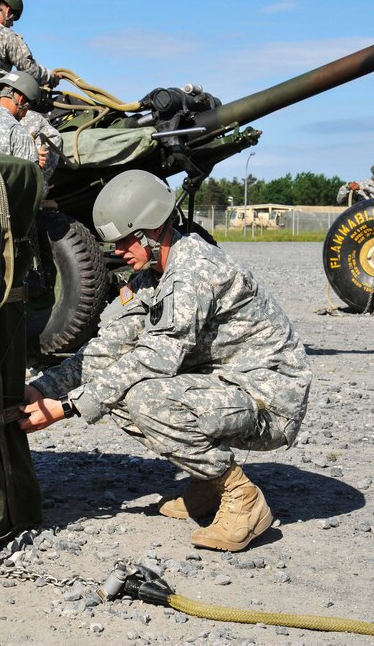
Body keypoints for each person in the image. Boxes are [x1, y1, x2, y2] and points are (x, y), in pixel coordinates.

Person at [21, 170, 312, 552]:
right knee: (119, 392)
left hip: (269, 397)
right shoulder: (152, 276)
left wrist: (67, 407)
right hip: (228, 383)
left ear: (151, 231)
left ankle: (241, 498)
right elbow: (108, 347)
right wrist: (41, 389)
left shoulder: (194, 271)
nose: (118, 252)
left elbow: (155, 357)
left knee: (143, 398)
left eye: (125, 241)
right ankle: (207, 481)